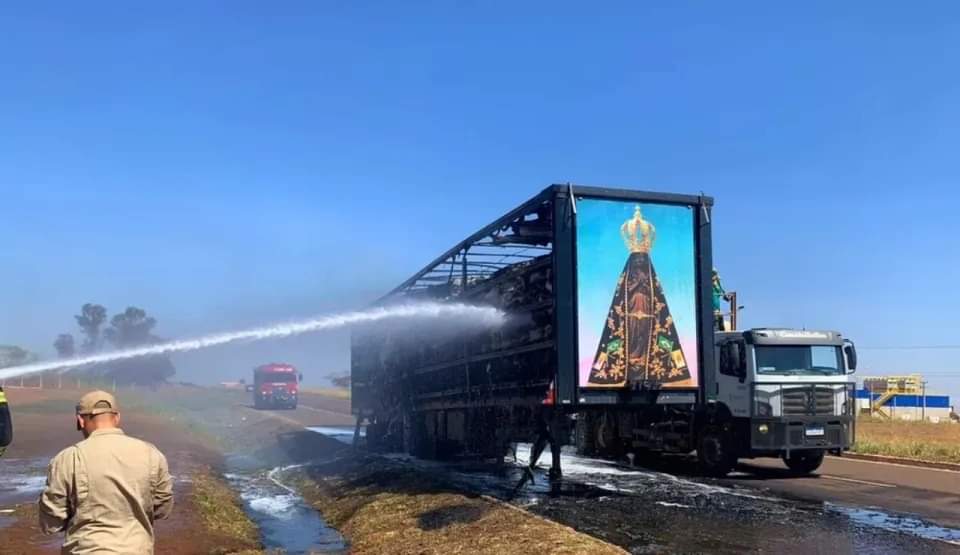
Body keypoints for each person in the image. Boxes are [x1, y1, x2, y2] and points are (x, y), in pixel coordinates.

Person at [38, 390, 174, 554]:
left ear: (80, 421)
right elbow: (163, 508)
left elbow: (52, 521)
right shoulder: (151, 454)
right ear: (117, 418)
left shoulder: (68, 458)